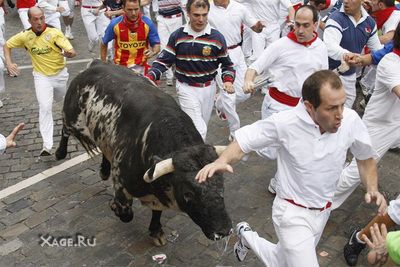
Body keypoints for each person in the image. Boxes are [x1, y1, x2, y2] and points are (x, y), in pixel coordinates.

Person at [195, 70, 386, 267]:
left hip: (323, 211)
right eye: (331, 109)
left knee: (282, 261)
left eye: (342, 105)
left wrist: (372, 188)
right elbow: (246, 140)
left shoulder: (351, 120)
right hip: (291, 214)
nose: (340, 115)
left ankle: (247, 237)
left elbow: (365, 159)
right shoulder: (285, 123)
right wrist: (222, 160)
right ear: (309, 107)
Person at [331, 23, 400, 266]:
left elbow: (372, 54)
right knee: (354, 174)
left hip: (397, 124)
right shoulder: (392, 62)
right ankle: (323, 204)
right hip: (379, 127)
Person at [243, 5, 328, 194]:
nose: (299, 30)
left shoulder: (321, 47)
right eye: (297, 25)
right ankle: (246, 142)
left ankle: (279, 183)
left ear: (316, 25)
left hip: (302, 108)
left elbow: (322, 77)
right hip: (277, 106)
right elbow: (255, 67)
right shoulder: (281, 45)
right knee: (271, 151)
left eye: (306, 25)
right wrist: (249, 80)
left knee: (294, 150)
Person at [146, 0, 235, 141]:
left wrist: (228, 80)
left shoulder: (217, 37)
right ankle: (196, 161)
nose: (201, 19)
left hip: (209, 89)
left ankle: (191, 154)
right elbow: (164, 60)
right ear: (187, 14)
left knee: (200, 129)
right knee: (199, 129)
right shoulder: (178, 35)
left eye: (204, 15)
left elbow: (227, 65)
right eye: (196, 15)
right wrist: (151, 75)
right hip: (186, 88)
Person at [4, 7, 76, 156]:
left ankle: (56, 97)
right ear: (29, 21)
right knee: (45, 107)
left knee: (58, 97)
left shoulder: (54, 33)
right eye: (35, 19)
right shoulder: (25, 36)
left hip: (60, 75)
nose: (39, 22)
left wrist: (69, 54)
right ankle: (47, 145)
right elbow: (7, 45)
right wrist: (9, 63)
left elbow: (72, 51)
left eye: (41, 18)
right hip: (41, 77)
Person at [208, 0, 264, 141]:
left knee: (244, 93)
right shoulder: (207, 8)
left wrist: (259, 27)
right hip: (219, 54)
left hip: (237, 52)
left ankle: (219, 103)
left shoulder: (240, 8)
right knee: (229, 95)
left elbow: (255, 27)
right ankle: (235, 132)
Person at [323, 0, 382, 108]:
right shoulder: (335, 18)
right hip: (329, 75)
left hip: (350, 77)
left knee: (344, 117)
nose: (346, 1)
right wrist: (348, 55)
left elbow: (377, 50)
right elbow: (330, 46)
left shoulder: (370, 22)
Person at [100, 0, 160, 74]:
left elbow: (156, 45)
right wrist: (103, 66)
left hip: (141, 68)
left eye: (136, 9)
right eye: (130, 10)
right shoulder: (115, 24)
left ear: (139, 7)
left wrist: (153, 52)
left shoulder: (148, 23)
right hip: (121, 69)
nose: (133, 13)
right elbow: (103, 43)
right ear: (123, 8)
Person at [151, 0, 184, 86]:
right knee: (164, 46)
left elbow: (184, 4)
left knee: (177, 46)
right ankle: (169, 76)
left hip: (176, 18)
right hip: (162, 18)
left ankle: (178, 71)